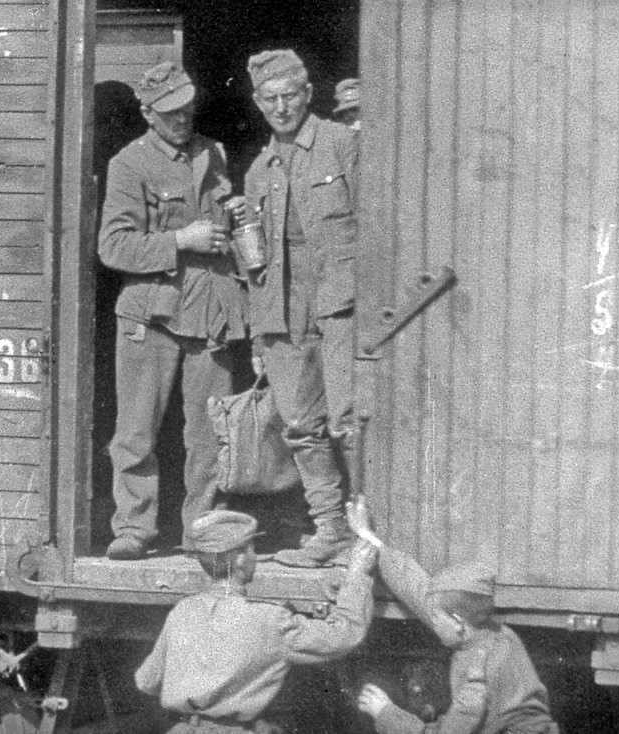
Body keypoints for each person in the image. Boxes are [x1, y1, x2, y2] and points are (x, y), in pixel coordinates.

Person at [98, 61, 248, 560]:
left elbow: (222, 228)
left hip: (210, 312)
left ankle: (203, 531)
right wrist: (181, 240)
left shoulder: (214, 153)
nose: (182, 117)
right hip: (152, 315)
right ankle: (134, 528)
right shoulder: (129, 164)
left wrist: (238, 217)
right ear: (147, 113)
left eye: (186, 107)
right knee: (136, 432)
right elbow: (113, 246)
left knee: (210, 435)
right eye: (169, 111)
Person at [242, 49, 360, 568]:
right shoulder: (258, 171)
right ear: (257, 102)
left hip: (341, 301)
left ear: (308, 94)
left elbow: (379, 225)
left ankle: (371, 528)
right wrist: (256, 337)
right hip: (283, 309)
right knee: (299, 426)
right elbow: (253, 265)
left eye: (290, 95)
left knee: (350, 420)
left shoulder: (341, 144)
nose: (281, 107)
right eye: (270, 99)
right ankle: (331, 529)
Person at [135, 509, 379, 733]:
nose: (254, 555)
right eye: (253, 548)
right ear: (240, 560)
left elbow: (147, 681)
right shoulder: (270, 619)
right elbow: (343, 636)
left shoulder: (183, 611)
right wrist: (357, 575)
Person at [349, 498, 559, 734]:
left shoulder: (478, 673)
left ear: (458, 621)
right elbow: (418, 591)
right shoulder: (492, 634)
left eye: (437, 619)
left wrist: (385, 712)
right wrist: (371, 539)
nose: (432, 621)